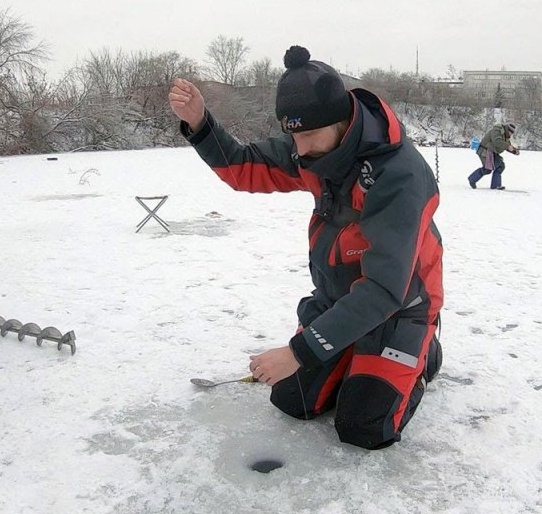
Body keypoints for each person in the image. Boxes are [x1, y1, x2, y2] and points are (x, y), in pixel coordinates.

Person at [168, 45, 443, 450]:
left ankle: (424, 351)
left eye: (309, 135)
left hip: (399, 306)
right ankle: (351, 348)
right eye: (293, 136)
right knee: (292, 399)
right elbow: (245, 167)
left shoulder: (397, 174)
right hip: (338, 300)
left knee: (363, 426)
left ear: (342, 121)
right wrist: (201, 125)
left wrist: (299, 352)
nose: (299, 149)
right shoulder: (314, 149)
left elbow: (386, 288)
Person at [468, 122, 520, 189]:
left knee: (499, 166)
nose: (512, 134)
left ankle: (495, 185)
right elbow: (497, 141)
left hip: (492, 152)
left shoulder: (506, 136)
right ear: (508, 130)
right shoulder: (497, 130)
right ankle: (472, 179)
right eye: (511, 132)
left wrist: (514, 151)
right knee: (489, 168)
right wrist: (508, 146)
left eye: (513, 132)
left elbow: (506, 146)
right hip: (485, 151)